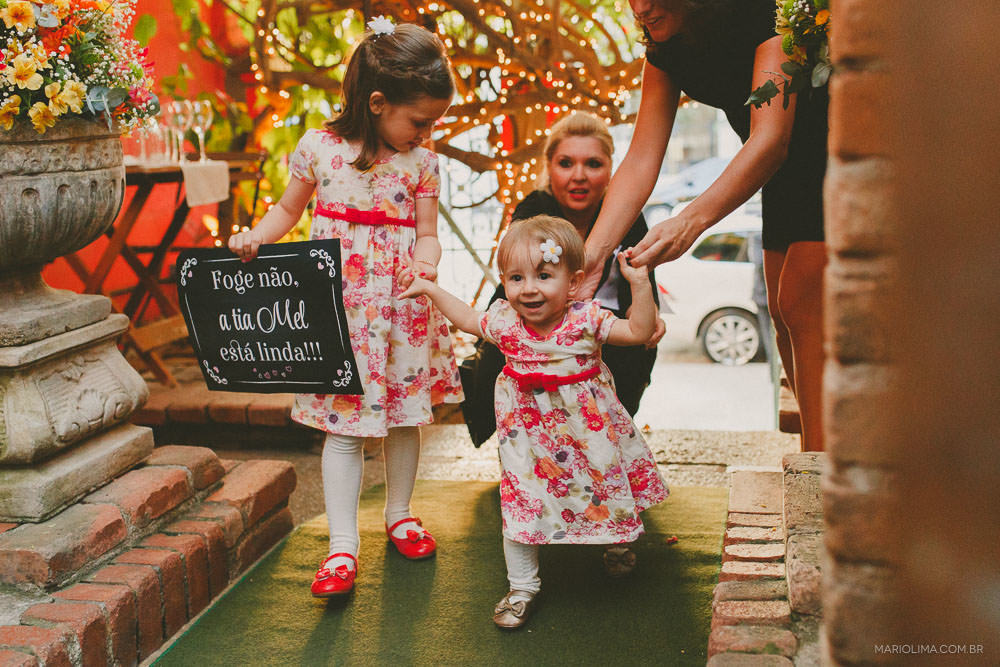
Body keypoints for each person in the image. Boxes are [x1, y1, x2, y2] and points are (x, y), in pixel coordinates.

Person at [228, 18, 463, 597]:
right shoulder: (320, 149)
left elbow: (427, 233)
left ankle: (400, 512)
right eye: (421, 120)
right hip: (341, 313)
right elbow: (286, 211)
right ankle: (341, 546)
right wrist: (257, 236)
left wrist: (426, 263)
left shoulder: (422, 164)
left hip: (402, 310)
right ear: (378, 103)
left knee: (406, 419)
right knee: (344, 427)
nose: (426, 131)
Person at [399, 215, 670, 629]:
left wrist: (639, 282)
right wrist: (432, 290)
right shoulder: (506, 321)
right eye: (516, 277)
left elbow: (639, 330)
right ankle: (522, 585)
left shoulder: (586, 319)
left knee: (604, 485)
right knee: (521, 500)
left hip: (588, 431)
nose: (528, 288)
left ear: (574, 283)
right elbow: (469, 319)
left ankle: (617, 544)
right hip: (527, 438)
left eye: (544, 275)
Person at [582, 0, 828, 451]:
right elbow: (640, 158)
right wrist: (593, 255)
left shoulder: (764, 13)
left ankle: (822, 480)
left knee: (800, 303)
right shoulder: (664, 42)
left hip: (828, 157)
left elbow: (771, 138)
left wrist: (688, 223)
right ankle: (815, 466)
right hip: (784, 180)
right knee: (781, 311)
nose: (639, 8)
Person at [460, 112, 663, 447]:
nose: (579, 176)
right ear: (549, 167)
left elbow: (644, 288)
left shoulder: (627, 215)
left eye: (593, 164)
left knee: (632, 346)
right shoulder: (534, 209)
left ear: (611, 169)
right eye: (566, 163)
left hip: (607, 334)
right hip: (539, 331)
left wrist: (651, 318)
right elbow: (517, 290)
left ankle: (609, 441)